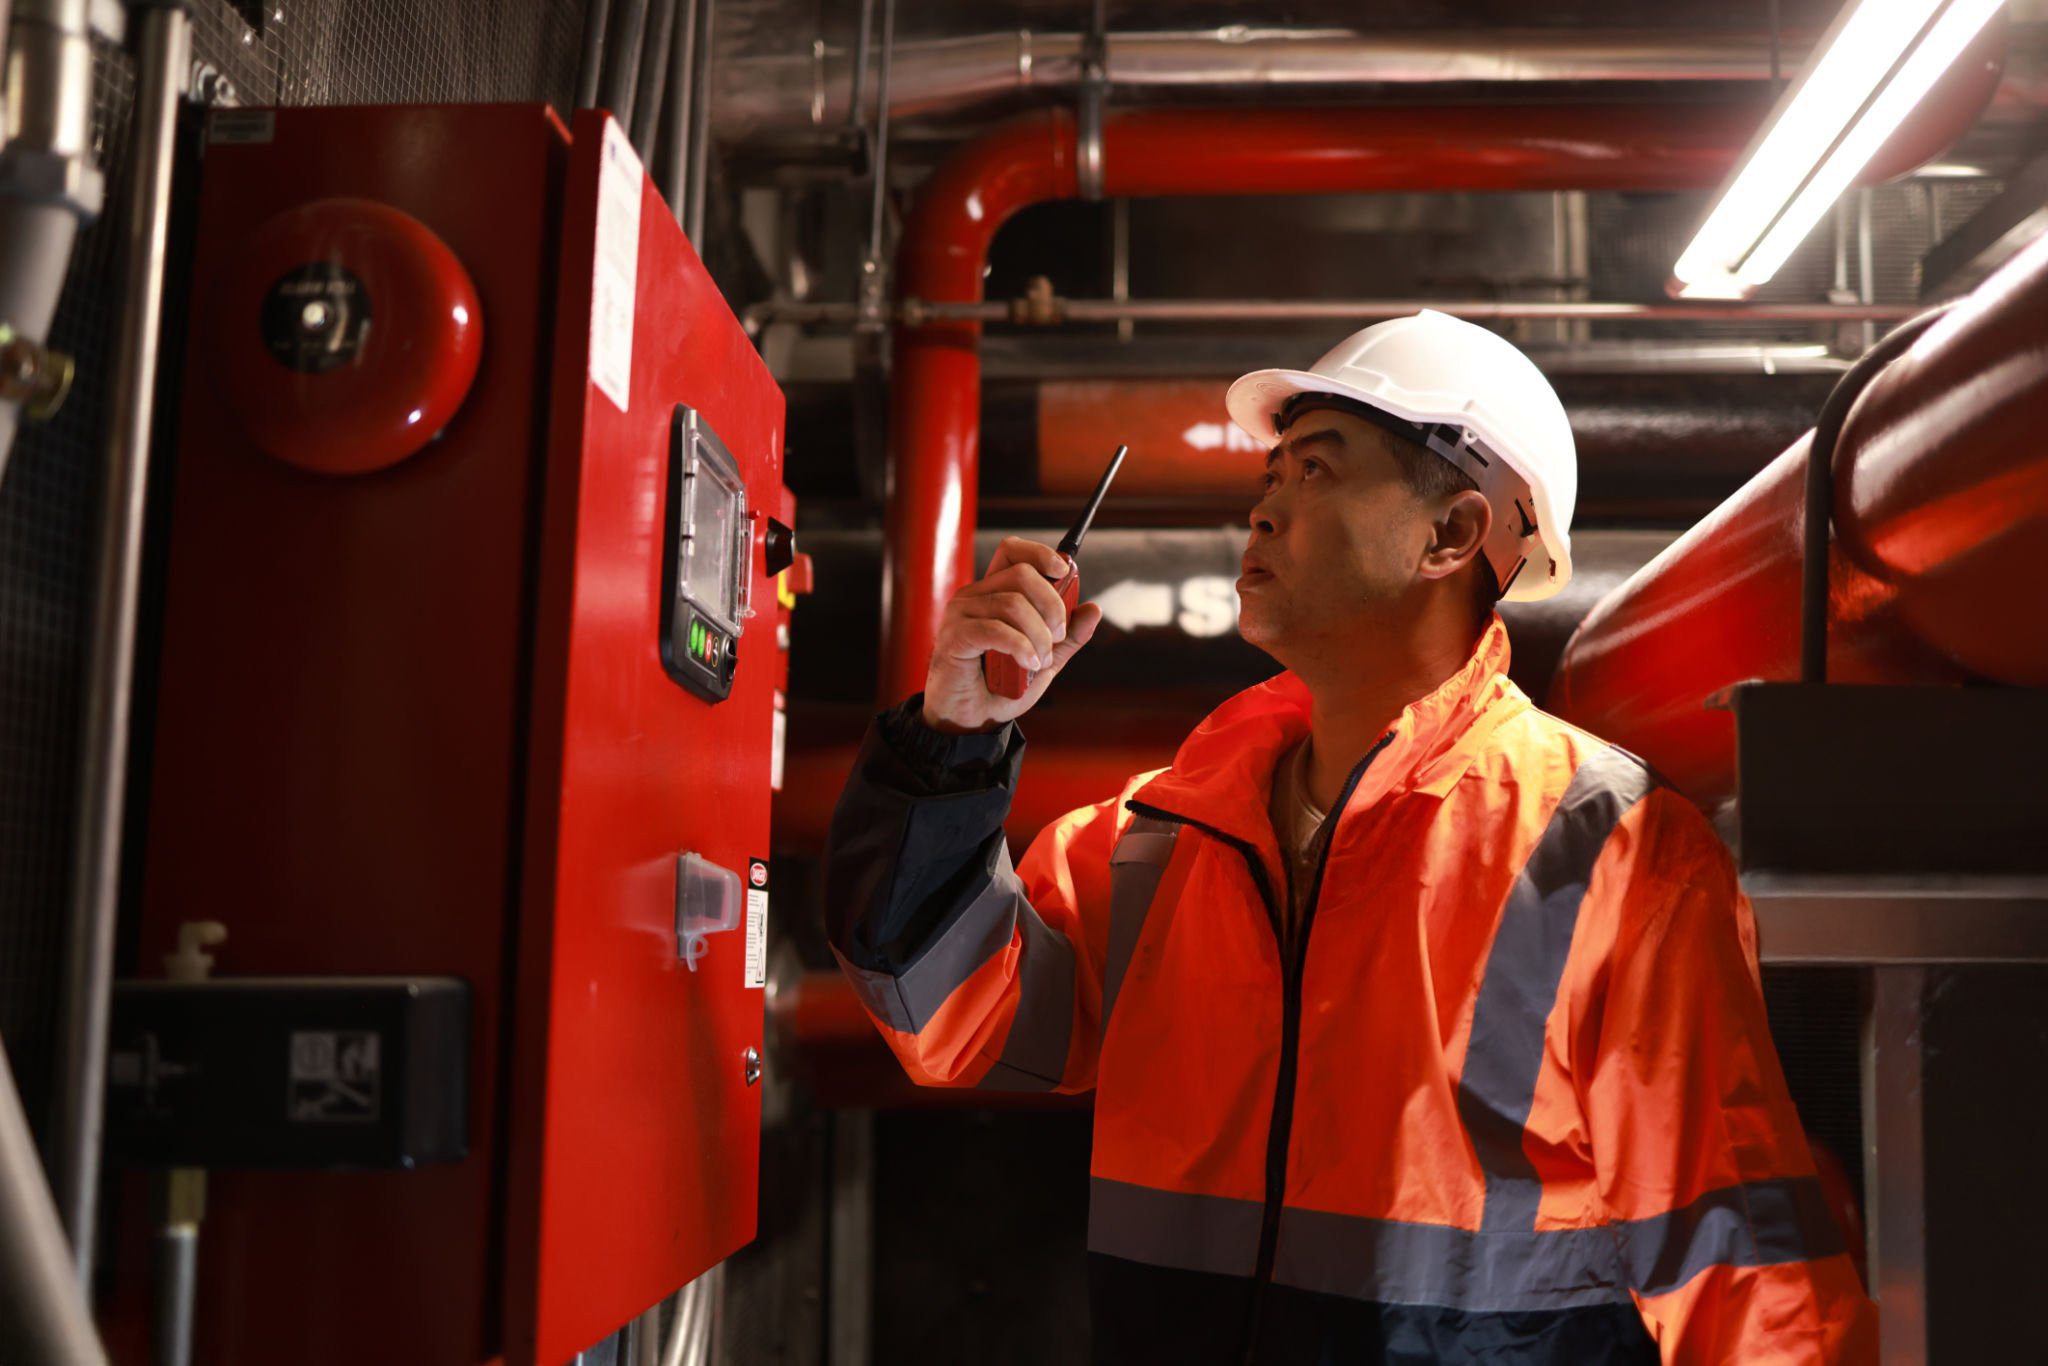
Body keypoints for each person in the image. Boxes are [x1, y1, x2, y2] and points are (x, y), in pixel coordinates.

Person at [822, 311, 1876, 1364]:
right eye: (1268, 474)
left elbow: (1750, 1290)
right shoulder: (1168, 835)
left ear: (1450, 536)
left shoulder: (1606, 851)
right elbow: (949, 1020)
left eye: (1313, 470)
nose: (1262, 507)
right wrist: (953, 736)